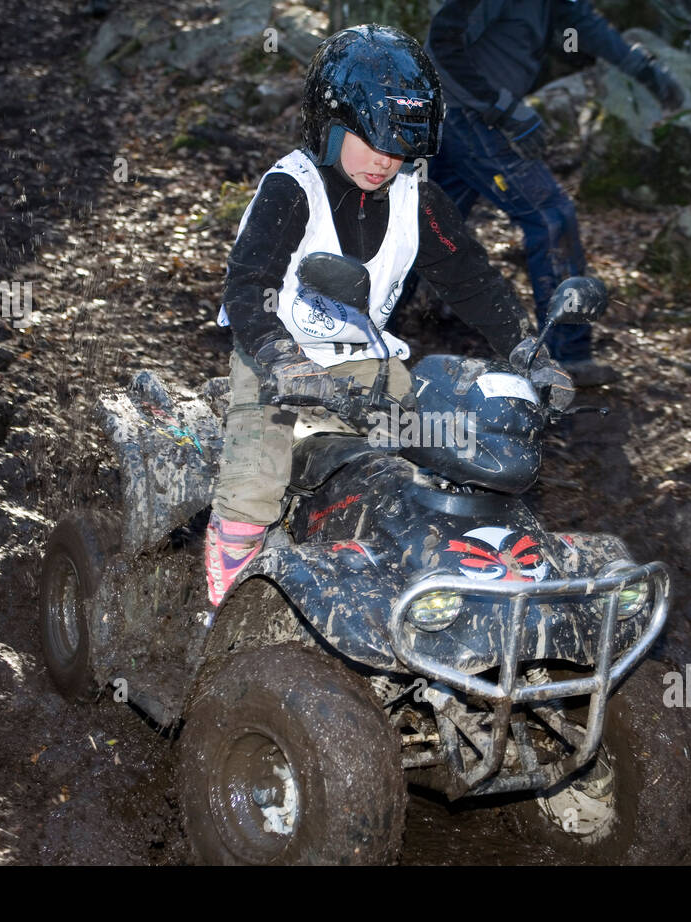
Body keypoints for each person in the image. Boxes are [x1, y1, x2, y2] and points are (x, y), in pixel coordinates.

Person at [206, 24, 574, 606]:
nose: (384, 161)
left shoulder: (417, 201)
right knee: (255, 482)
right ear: (329, 126)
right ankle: (225, 606)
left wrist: (528, 350)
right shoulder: (291, 189)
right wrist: (282, 359)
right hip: (276, 360)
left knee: (442, 459)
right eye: (371, 142)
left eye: (399, 147)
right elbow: (249, 287)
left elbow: (472, 281)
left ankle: (425, 593)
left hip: (371, 366)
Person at [425, 0, 683, 386]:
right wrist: (503, 107)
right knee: (551, 216)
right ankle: (567, 356)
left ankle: (388, 322)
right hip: (469, 118)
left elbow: (586, 25)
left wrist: (644, 70)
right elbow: (442, 46)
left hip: (469, 116)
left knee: (425, 220)